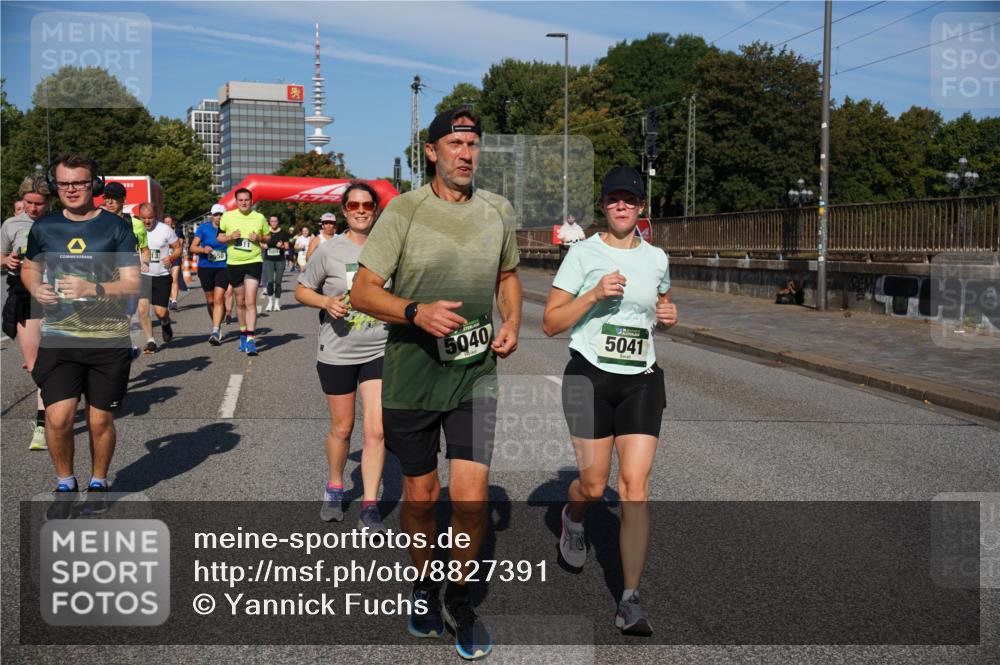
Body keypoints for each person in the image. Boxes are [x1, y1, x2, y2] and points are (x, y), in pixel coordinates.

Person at [351, 108, 521, 660]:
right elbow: (363, 291)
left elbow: (508, 276)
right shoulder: (403, 211)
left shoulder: (498, 211)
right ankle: (425, 583)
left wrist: (512, 320)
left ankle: (462, 599)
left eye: (473, 144)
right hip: (412, 377)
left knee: (470, 502)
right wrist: (415, 311)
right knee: (422, 499)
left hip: (475, 376)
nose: (466, 153)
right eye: (455, 143)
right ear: (432, 151)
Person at [541, 165, 678, 637]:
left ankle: (630, 599)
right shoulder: (583, 254)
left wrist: (669, 314)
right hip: (589, 377)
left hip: (641, 379)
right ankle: (572, 517)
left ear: (642, 207)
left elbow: (660, 304)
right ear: (603, 204)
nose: (622, 205)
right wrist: (595, 294)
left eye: (631, 199)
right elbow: (551, 323)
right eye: (614, 198)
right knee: (595, 487)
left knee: (635, 487)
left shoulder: (658, 257)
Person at [21, 153, 140, 519]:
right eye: (65, 183)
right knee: (57, 418)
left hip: (107, 340)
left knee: (100, 420)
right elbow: (30, 266)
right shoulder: (45, 228)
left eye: (80, 183)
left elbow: (134, 284)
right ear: (57, 187)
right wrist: (35, 288)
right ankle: (65, 482)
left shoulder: (115, 228)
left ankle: (100, 481)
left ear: (94, 184)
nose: (72, 189)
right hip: (59, 340)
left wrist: (94, 288)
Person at [296, 181, 388, 530]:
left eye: (367, 204)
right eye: (354, 205)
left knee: (377, 430)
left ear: (376, 209)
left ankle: (369, 503)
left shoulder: (389, 249)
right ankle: (335, 486)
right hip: (337, 350)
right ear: (345, 210)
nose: (361, 210)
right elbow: (302, 289)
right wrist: (325, 302)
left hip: (380, 347)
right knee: (343, 426)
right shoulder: (329, 250)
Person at [1, 174, 51, 450]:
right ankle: (42, 427)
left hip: (56, 294)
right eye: (29, 202)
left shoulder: (59, 223)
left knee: (55, 361)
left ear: (48, 202)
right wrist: (6, 259)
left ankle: (52, 412)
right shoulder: (11, 224)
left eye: (39, 203)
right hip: (23, 295)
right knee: (36, 366)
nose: (33, 208)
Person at [217, 187, 269, 356]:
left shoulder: (259, 217)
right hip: (234, 263)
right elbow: (219, 237)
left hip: (253, 261)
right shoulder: (228, 216)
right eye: (241, 200)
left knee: (250, 300)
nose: (244, 203)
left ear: (251, 201)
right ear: (236, 201)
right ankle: (242, 333)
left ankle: (251, 339)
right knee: (239, 301)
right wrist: (230, 237)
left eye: (247, 200)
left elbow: (268, 237)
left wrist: (259, 238)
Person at [101, 182, 148, 358]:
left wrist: (145, 262)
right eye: (106, 197)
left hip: (127, 277)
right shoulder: (96, 222)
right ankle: (119, 350)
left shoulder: (135, 224)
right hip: (103, 275)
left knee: (124, 318)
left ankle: (118, 351)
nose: (109, 201)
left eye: (114, 198)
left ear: (123, 200)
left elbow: (144, 248)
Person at [136, 204, 181, 354]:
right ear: (139, 217)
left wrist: (172, 257)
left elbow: (178, 247)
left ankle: (165, 322)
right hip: (143, 275)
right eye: (144, 218)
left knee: (160, 312)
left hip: (162, 275)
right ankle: (150, 341)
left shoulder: (165, 229)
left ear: (155, 216)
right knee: (142, 309)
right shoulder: (135, 229)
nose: (147, 221)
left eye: (150, 218)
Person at [189, 204, 230, 344]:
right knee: (210, 300)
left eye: (221, 214)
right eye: (216, 214)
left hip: (223, 267)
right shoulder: (203, 228)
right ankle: (216, 323)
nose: (218, 217)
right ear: (212, 215)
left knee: (219, 298)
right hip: (206, 266)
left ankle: (215, 329)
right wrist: (202, 250)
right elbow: (192, 247)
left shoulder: (229, 228)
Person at [262, 215, 290, 312]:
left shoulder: (283, 233)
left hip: (280, 260)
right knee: (270, 281)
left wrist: (281, 246)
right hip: (269, 259)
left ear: (278, 222)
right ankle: (270, 302)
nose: (273, 223)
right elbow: (260, 242)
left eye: (275, 221)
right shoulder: (266, 233)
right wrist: (263, 245)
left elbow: (287, 247)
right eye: (272, 221)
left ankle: (277, 303)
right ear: (269, 222)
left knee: (278, 282)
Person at [164, 215, 184, 310]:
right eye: (166, 222)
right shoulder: (161, 233)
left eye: (169, 222)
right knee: (167, 280)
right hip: (165, 258)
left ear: (172, 223)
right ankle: (169, 298)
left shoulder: (178, 231)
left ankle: (174, 301)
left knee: (174, 278)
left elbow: (180, 243)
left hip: (175, 257)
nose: (167, 224)